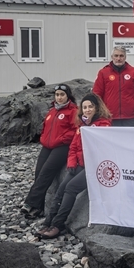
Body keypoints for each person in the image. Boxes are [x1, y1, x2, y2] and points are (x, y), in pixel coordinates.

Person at [37, 93, 112, 239]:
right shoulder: (81, 125)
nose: (88, 110)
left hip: (94, 167)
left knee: (71, 188)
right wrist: (72, 162)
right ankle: (49, 221)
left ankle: (58, 225)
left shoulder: (104, 125)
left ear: (97, 108)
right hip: (80, 164)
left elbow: (104, 149)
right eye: (85, 107)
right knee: (60, 190)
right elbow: (73, 147)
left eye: (91, 106)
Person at [20, 85, 79, 219]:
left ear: (68, 96)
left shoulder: (73, 111)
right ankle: (39, 207)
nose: (59, 97)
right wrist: (43, 138)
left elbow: (75, 130)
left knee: (47, 171)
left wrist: (62, 139)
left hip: (62, 146)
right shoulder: (52, 111)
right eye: (57, 94)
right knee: (39, 172)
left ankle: (30, 203)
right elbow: (46, 127)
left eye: (62, 95)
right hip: (48, 145)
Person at [93, 47, 134, 127]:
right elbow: (96, 95)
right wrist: (98, 113)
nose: (118, 58)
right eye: (116, 55)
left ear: (125, 57)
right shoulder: (103, 73)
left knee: (130, 139)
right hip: (109, 117)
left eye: (121, 56)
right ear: (112, 57)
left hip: (130, 118)